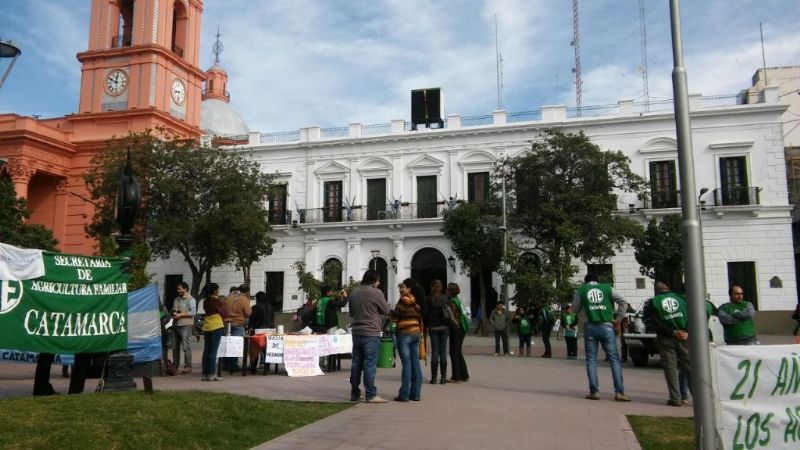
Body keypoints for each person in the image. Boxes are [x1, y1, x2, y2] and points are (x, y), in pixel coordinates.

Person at [571, 273, 630, 402]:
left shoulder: (581, 290)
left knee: (591, 359)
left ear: (586, 282)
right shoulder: (607, 288)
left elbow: (574, 309)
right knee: (614, 359)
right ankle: (619, 392)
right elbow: (623, 302)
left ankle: (594, 391)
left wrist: (583, 309)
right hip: (607, 326)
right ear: (597, 281)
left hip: (589, 326)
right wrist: (618, 319)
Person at [643, 281, 691, 406]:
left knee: (671, 369)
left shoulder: (653, 302)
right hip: (685, 338)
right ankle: (698, 398)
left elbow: (652, 323)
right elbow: (693, 315)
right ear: (668, 289)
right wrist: (686, 331)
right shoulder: (682, 299)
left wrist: (673, 332)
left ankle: (675, 398)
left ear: (656, 291)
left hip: (666, 339)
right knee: (690, 368)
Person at [349, 269, 391, 403]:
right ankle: (371, 394)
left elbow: (351, 312)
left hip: (356, 331)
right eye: (378, 281)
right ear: (373, 281)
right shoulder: (376, 292)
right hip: (371, 331)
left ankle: (354, 392)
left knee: (356, 363)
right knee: (370, 363)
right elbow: (386, 310)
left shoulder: (354, 292)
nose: (378, 283)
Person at [391, 278, 424, 402]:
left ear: (409, 288)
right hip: (416, 333)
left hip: (404, 334)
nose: (401, 289)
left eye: (403, 287)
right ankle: (416, 393)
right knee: (415, 363)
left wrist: (391, 316)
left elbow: (395, 316)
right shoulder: (414, 300)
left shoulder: (403, 300)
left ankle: (404, 394)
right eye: (400, 287)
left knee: (406, 364)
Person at [424, 278, 450, 384]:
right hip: (444, 327)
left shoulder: (429, 298)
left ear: (432, 287)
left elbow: (425, 313)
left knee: (434, 352)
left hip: (433, 327)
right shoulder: (445, 297)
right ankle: (443, 378)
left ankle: (434, 378)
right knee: (443, 352)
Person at [222, 284, 252, 371]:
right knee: (235, 346)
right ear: (246, 292)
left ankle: (225, 364)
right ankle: (233, 365)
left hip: (227, 324)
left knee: (227, 345)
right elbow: (248, 313)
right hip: (238, 324)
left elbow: (222, 309)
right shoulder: (244, 299)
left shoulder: (228, 297)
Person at [201, 283, 225, 381]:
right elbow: (224, 312)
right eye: (218, 289)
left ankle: (205, 374)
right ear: (215, 291)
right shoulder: (217, 301)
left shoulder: (205, 301)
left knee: (206, 350)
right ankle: (211, 374)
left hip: (207, 326)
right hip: (216, 325)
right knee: (213, 351)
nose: (219, 291)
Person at [171, 281, 196, 374]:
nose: (178, 291)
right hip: (176, 325)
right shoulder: (176, 299)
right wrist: (174, 313)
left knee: (186, 346)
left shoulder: (191, 299)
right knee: (175, 347)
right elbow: (174, 309)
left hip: (186, 325)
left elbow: (193, 312)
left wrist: (180, 315)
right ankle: (175, 366)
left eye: (180, 289)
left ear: (185, 289)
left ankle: (188, 366)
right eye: (178, 289)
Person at [447, 282, 470, 382]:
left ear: (450, 291)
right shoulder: (458, 300)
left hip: (456, 329)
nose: (446, 291)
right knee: (458, 352)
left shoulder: (452, 302)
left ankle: (456, 376)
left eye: (447, 289)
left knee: (454, 353)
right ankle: (464, 375)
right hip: (462, 328)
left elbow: (452, 317)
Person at [248, 291, 276, 373]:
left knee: (255, 349)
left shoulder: (256, 307)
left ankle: (253, 367)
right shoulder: (270, 306)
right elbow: (272, 318)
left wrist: (249, 327)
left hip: (259, 330)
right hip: (270, 330)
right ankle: (266, 367)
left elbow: (252, 319)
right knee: (267, 349)